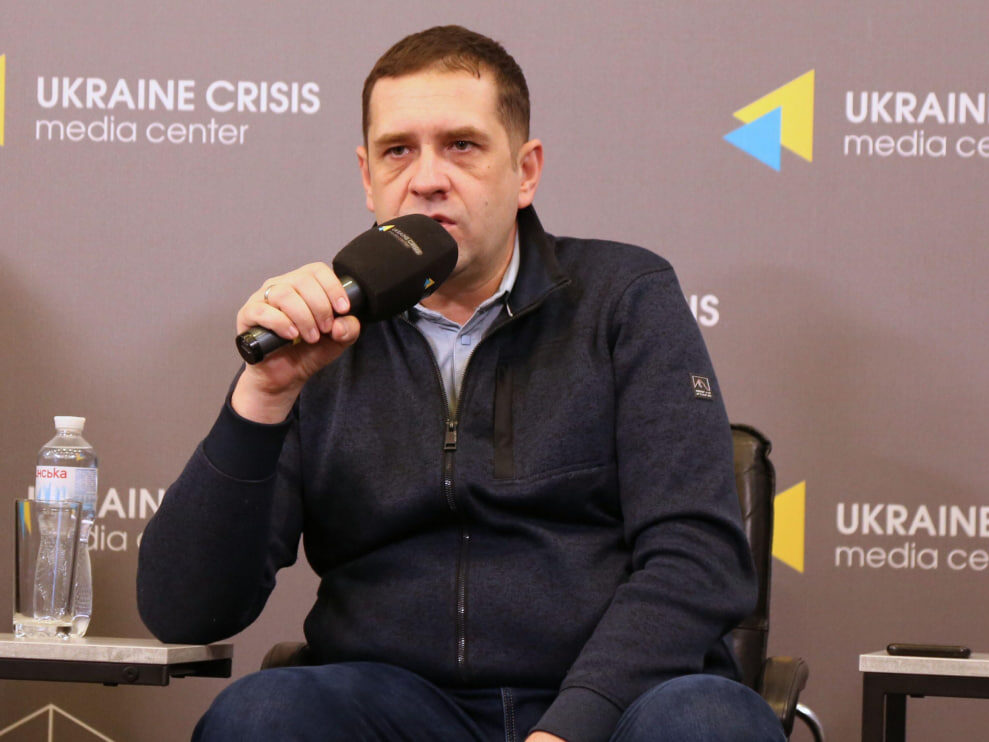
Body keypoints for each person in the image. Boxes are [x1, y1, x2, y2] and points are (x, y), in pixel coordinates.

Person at [137, 25, 785, 742]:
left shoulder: (625, 298)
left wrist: (570, 727)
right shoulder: (318, 328)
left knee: (709, 722)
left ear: (526, 171)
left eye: (462, 146)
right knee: (261, 715)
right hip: (397, 706)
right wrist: (263, 397)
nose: (427, 178)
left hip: (608, 709)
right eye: (398, 151)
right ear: (367, 177)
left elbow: (697, 560)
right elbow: (184, 611)